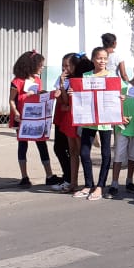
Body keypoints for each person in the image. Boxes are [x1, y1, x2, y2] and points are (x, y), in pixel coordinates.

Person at [9, 50, 59, 188]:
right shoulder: (17, 81)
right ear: (31, 65)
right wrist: (16, 113)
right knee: (22, 145)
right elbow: (11, 100)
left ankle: (49, 175)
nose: (42, 67)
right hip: (22, 119)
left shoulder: (37, 80)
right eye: (41, 65)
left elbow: (39, 97)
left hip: (37, 118)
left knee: (42, 144)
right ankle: (24, 177)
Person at [75, 47, 114, 201]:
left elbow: (120, 93)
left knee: (105, 152)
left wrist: (121, 99)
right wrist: (73, 94)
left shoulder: (112, 76)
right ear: (93, 59)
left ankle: (100, 186)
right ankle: (88, 184)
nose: (102, 61)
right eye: (99, 58)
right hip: (89, 119)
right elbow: (80, 96)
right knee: (84, 152)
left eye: (105, 58)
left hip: (106, 120)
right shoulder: (86, 76)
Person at [108, 60, 134, 196]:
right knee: (119, 155)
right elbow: (114, 104)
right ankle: (114, 183)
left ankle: (129, 181)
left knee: (133, 156)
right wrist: (119, 117)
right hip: (122, 127)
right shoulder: (123, 86)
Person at [51, 53, 81, 192]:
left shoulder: (78, 80)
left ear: (74, 66)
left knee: (70, 150)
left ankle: (70, 179)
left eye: (67, 65)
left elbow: (68, 101)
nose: (64, 68)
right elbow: (61, 99)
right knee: (59, 148)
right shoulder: (61, 79)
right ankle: (68, 178)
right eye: (63, 65)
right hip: (61, 117)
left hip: (71, 118)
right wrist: (60, 86)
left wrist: (67, 101)